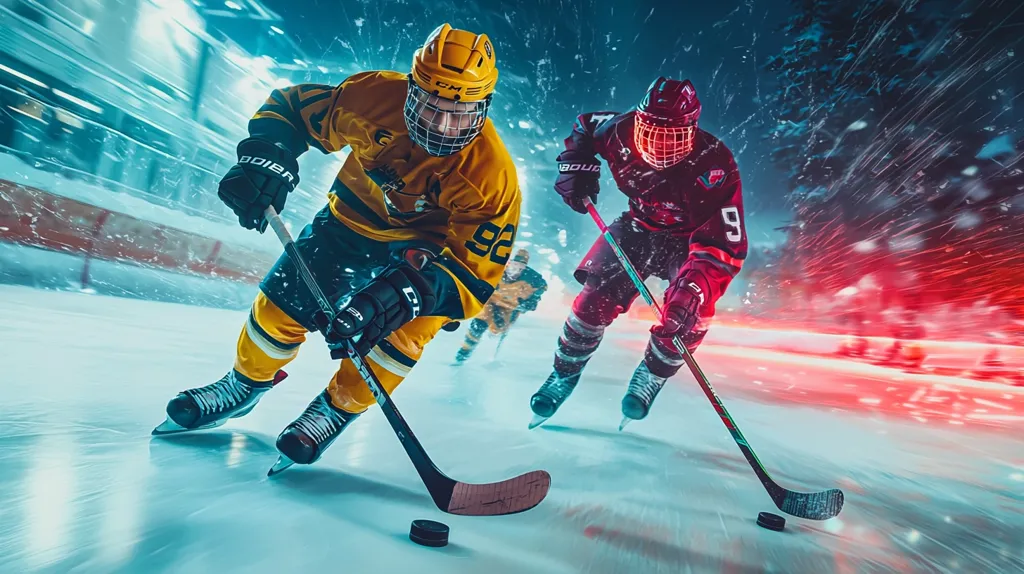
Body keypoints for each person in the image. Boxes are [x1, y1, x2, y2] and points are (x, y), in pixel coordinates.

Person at [152, 24, 521, 474]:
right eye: (431, 107)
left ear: (483, 107)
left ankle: (337, 408)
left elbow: (474, 275)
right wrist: (267, 154)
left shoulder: (492, 177)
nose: (442, 127)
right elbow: (291, 108)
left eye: (459, 113)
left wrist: (406, 296)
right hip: (347, 224)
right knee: (280, 306)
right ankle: (243, 383)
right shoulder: (369, 97)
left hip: (422, 259)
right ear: (411, 90)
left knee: (398, 338)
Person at [529, 77, 747, 428]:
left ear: (691, 131)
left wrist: (694, 289)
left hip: (690, 242)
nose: (659, 146)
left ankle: (653, 372)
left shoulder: (714, 165)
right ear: (639, 121)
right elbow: (584, 127)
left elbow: (723, 245)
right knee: (592, 300)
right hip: (638, 227)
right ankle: (564, 372)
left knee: (690, 317)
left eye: (672, 137)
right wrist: (577, 164)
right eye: (652, 133)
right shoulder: (618, 130)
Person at [453, 248, 547, 364]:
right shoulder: (496, 270)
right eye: (514, 265)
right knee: (479, 323)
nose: (515, 270)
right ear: (508, 263)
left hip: (509, 307)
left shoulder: (533, 279)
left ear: (524, 268)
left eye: (520, 267)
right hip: (490, 300)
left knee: (498, 329)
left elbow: (540, 289)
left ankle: (492, 334)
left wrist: (530, 302)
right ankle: (464, 351)